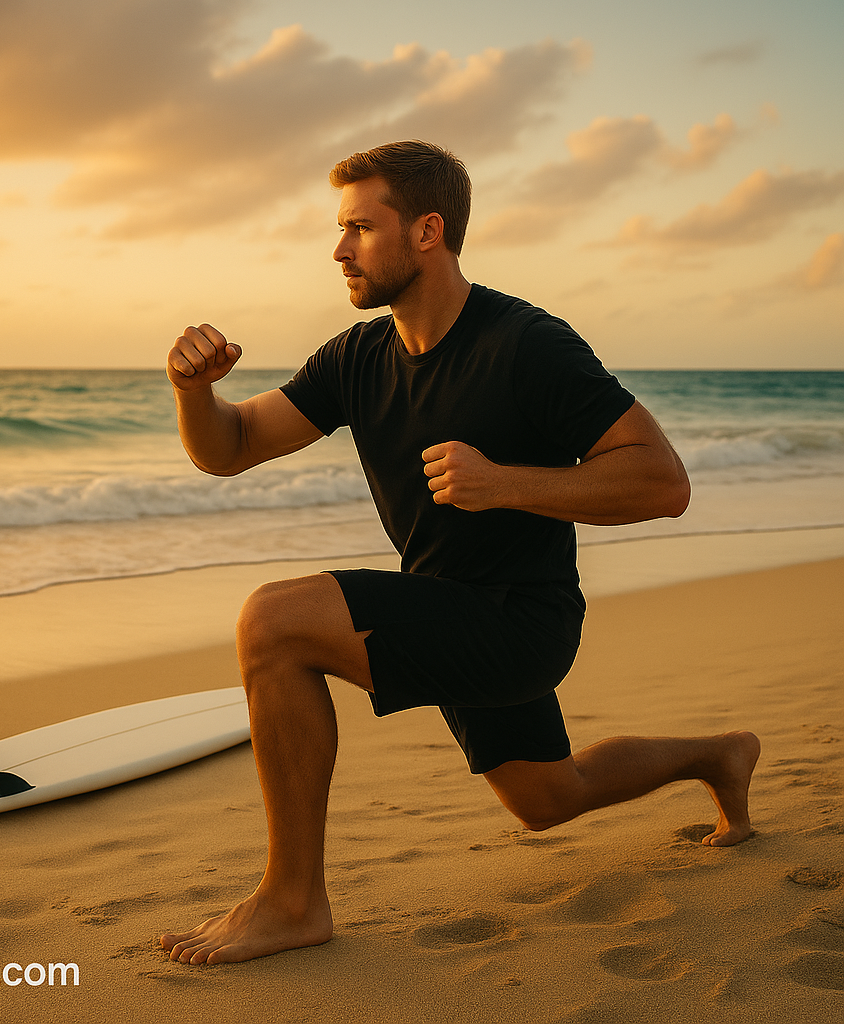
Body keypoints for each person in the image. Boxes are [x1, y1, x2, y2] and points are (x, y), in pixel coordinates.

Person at [160, 140, 760, 966]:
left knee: (273, 621)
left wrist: (504, 482)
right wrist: (196, 393)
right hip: (446, 601)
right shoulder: (357, 357)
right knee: (549, 798)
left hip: (521, 620)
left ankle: (291, 902)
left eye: (360, 228)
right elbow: (229, 448)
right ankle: (718, 754)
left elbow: (662, 482)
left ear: (427, 232)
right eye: (340, 230)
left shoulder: (526, 343)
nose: (339, 250)